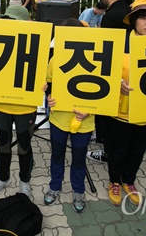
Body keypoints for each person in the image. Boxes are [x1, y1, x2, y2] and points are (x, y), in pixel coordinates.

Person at [106, 0, 146, 207]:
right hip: (121, 111)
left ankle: (129, 181)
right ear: (133, 21)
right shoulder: (119, 43)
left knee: (138, 150)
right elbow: (104, 72)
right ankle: (114, 181)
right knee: (118, 150)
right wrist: (118, 82)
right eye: (143, 18)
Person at [0, 5, 38, 199]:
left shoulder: (35, 46)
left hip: (25, 107)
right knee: (3, 144)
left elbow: (45, 75)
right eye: (7, 21)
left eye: (13, 21)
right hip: (1, 106)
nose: (9, 25)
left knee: (24, 146)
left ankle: (25, 181)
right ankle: (3, 177)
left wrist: (43, 85)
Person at [44, 18, 94, 213]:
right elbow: (49, 85)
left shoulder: (95, 59)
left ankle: (78, 190)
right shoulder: (55, 60)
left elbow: (102, 93)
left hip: (85, 121)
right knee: (57, 155)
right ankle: (54, 186)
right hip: (58, 119)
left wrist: (90, 110)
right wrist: (48, 97)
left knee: (79, 156)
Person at [87, 0, 133, 164]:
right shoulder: (127, 10)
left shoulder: (111, 16)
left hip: (115, 69)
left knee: (107, 113)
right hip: (129, 67)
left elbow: (108, 49)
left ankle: (107, 151)